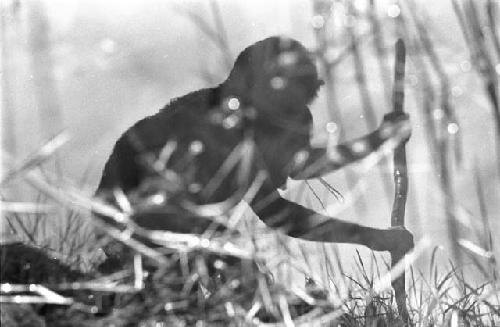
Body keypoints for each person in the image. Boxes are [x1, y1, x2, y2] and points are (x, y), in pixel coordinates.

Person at [95, 36, 414, 268]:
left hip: (173, 229)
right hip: (136, 225)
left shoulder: (256, 120)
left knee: (230, 265)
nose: (295, 124)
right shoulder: (214, 127)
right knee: (236, 272)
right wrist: (371, 237)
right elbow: (278, 212)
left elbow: (299, 166)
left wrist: (378, 141)